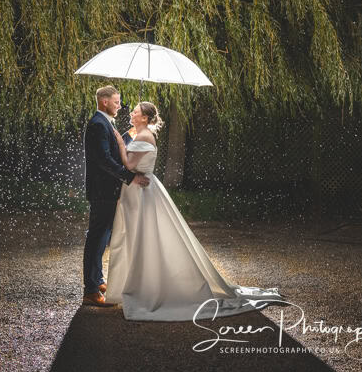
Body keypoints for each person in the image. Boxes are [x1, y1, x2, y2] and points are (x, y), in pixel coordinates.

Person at [105, 101, 284, 320]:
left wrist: (120, 143)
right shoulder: (141, 135)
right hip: (139, 191)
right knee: (138, 237)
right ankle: (139, 283)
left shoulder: (143, 137)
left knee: (141, 238)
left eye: (135, 112)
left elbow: (130, 166)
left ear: (144, 118)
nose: (131, 114)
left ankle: (144, 287)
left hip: (140, 192)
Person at [82, 86, 150, 307]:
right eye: (116, 102)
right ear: (104, 102)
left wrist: (127, 137)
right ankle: (90, 291)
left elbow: (111, 149)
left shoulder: (104, 123)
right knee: (96, 238)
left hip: (107, 190)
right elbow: (104, 159)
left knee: (102, 237)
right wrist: (130, 178)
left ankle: (97, 280)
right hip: (102, 191)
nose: (120, 106)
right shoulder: (98, 124)